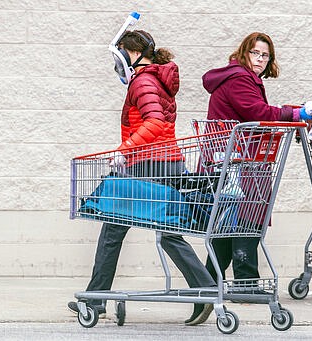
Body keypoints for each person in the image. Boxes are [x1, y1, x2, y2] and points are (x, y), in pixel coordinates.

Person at [68, 29, 216, 326]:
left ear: (132, 53)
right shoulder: (156, 79)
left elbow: (154, 121)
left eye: (120, 53)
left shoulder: (143, 80)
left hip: (147, 163)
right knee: (169, 231)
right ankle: (207, 290)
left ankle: (96, 301)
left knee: (112, 229)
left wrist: (125, 149)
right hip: (169, 163)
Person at [201, 32, 312, 300]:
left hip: (230, 158)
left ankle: (208, 281)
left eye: (265, 55)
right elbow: (259, 113)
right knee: (245, 217)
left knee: (229, 221)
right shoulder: (240, 78)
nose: (261, 59)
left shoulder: (237, 76)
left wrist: (289, 113)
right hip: (237, 160)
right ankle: (244, 282)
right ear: (244, 52)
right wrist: (296, 114)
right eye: (255, 53)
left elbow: (255, 111)